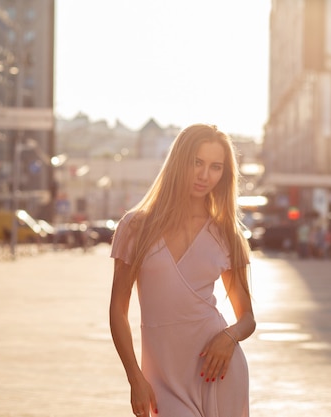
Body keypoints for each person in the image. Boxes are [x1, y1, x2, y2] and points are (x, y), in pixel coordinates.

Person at [109, 123, 256, 417]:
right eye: (197, 162)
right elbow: (117, 310)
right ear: (179, 161)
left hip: (219, 373)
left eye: (215, 167)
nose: (204, 175)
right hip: (162, 379)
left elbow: (247, 319)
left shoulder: (227, 233)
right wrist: (135, 377)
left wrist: (229, 338)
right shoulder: (135, 227)